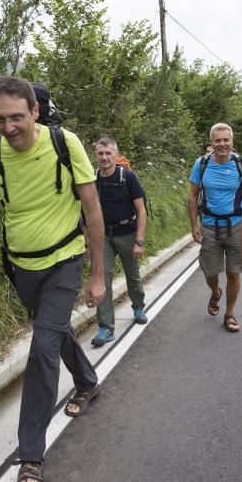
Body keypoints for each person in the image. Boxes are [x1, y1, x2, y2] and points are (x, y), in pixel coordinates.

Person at [0, 77, 105, 482]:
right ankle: (87, 380)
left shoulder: (67, 144)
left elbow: (92, 206)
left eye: (16, 117)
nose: (8, 128)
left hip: (64, 261)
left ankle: (30, 457)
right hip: (21, 267)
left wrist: (97, 272)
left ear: (35, 112)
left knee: (42, 349)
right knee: (54, 330)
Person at [188, 123, 242, 332]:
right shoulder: (201, 164)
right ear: (212, 142)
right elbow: (192, 196)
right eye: (218, 140)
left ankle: (229, 314)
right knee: (210, 271)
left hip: (236, 226)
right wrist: (194, 225)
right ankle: (216, 292)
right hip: (209, 225)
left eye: (226, 140)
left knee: (234, 273)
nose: (222, 144)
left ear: (232, 142)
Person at [92, 136, 147, 345]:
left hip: (127, 233)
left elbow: (141, 210)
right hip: (103, 236)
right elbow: (87, 213)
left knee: (132, 275)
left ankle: (138, 307)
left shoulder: (128, 177)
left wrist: (139, 241)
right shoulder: (93, 178)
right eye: (100, 153)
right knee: (101, 279)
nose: (104, 157)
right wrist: (89, 242)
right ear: (96, 155)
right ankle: (106, 327)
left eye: (108, 153)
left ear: (116, 155)